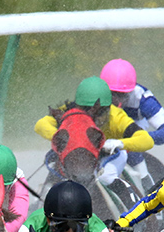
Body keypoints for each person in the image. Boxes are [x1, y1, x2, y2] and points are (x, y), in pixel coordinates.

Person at [35, 75, 155, 209]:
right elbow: (40, 125)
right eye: (85, 109)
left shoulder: (116, 117)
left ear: (108, 108)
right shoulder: (69, 111)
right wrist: (65, 137)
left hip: (109, 153)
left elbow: (147, 140)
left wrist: (119, 143)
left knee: (106, 177)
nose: (92, 116)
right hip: (79, 153)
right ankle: (40, 204)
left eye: (99, 111)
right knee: (55, 169)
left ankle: (135, 210)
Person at [99, 58, 164, 180]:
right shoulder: (95, 94)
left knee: (132, 149)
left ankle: (145, 180)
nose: (116, 100)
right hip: (106, 128)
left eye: (122, 95)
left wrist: (138, 139)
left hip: (133, 129)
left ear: (131, 90)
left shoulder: (144, 99)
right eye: (112, 94)